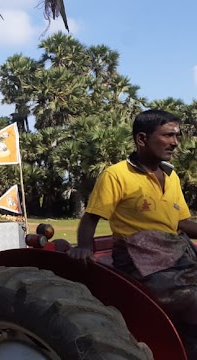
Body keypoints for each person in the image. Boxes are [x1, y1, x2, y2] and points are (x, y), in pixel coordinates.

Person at [68, 109, 197, 358]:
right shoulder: (116, 175)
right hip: (138, 256)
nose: (175, 142)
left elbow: (182, 222)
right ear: (141, 139)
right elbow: (92, 217)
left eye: (177, 136)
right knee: (193, 300)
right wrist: (84, 245)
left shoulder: (171, 176)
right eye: (168, 135)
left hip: (175, 252)